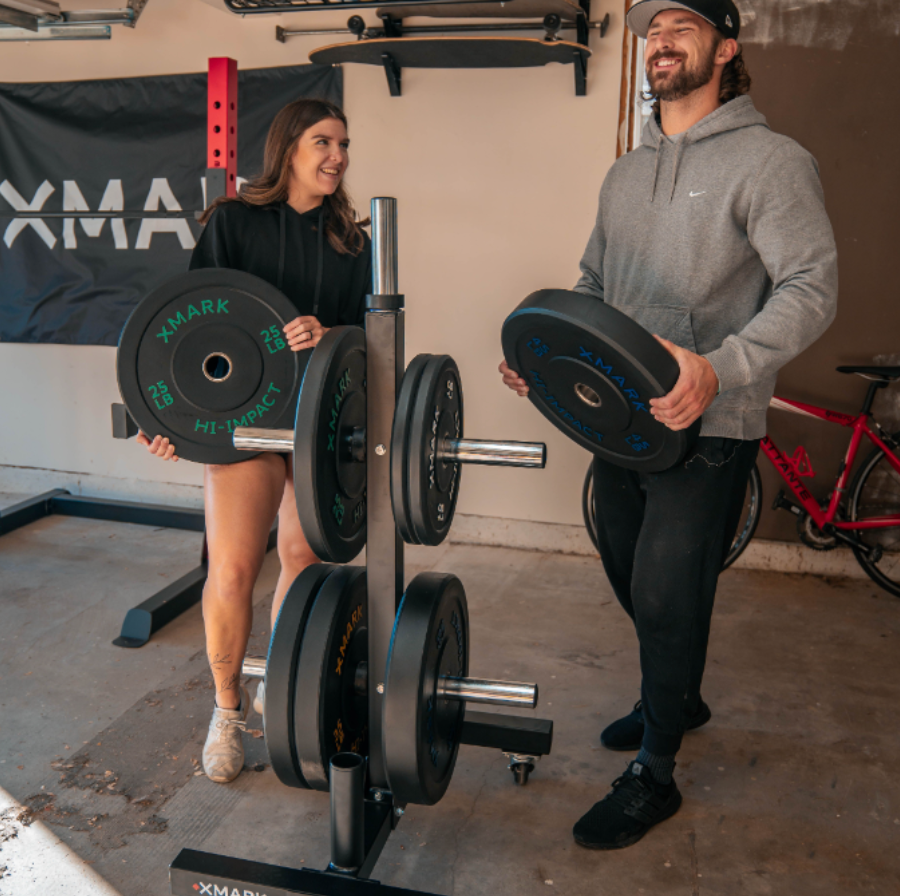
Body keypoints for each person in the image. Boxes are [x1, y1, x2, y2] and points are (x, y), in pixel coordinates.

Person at [500, 0, 837, 849]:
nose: (662, 39)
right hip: (623, 423)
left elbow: (811, 287)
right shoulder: (625, 173)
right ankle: (676, 698)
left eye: (683, 25)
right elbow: (592, 285)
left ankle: (656, 770)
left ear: (726, 47)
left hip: (711, 424)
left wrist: (720, 367)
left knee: (665, 590)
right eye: (653, 28)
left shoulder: (772, 162)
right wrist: (544, 359)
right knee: (625, 565)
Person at [136, 99, 371, 784]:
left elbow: (368, 339)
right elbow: (185, 327)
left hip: (319, 417)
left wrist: (330, 334)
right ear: (289, 147)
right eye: (323, 142)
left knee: (300, 560)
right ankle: (227, 707)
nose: (338, 156)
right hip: (244, 421)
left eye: (344, 144)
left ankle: (281, 680)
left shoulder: (352, 242)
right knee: (234, 570)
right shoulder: (234, 224)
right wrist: (171, 423)